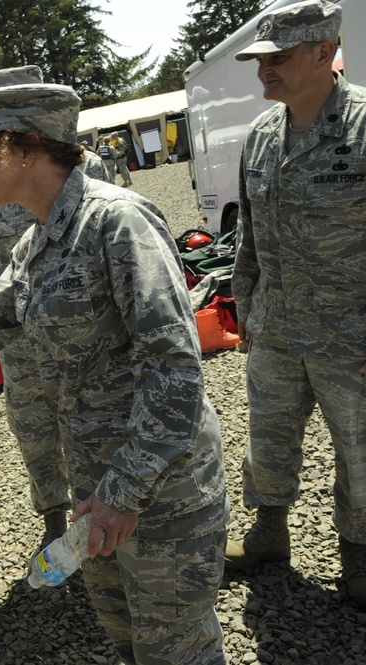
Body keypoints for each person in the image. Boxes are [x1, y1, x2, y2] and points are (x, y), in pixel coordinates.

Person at [0, 83, 229, 664]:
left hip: (159, 491)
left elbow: (176, 371)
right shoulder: (37, 241)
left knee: (178, 649)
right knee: (128, 640)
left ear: (25, 149)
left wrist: (122, 494)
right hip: (96, 488)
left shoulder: (116, 222)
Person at [225, 0, 366, 608]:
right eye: (259, 60)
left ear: (322, 51)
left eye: (277, 58)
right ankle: (269, 533)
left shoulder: (362, 126)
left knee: (359, 448)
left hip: (351, 334)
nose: (264, 72)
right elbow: (248, 236)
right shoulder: (260, 136)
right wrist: (245, 306)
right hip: (277, 327)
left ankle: (359, 554)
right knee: (268, 436)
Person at [0, 64, 113, 554]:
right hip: (20, 336)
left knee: (90, 429)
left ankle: (96, 520)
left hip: (82, 345)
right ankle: (56, 522)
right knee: (34, 431)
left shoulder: (98, 194)